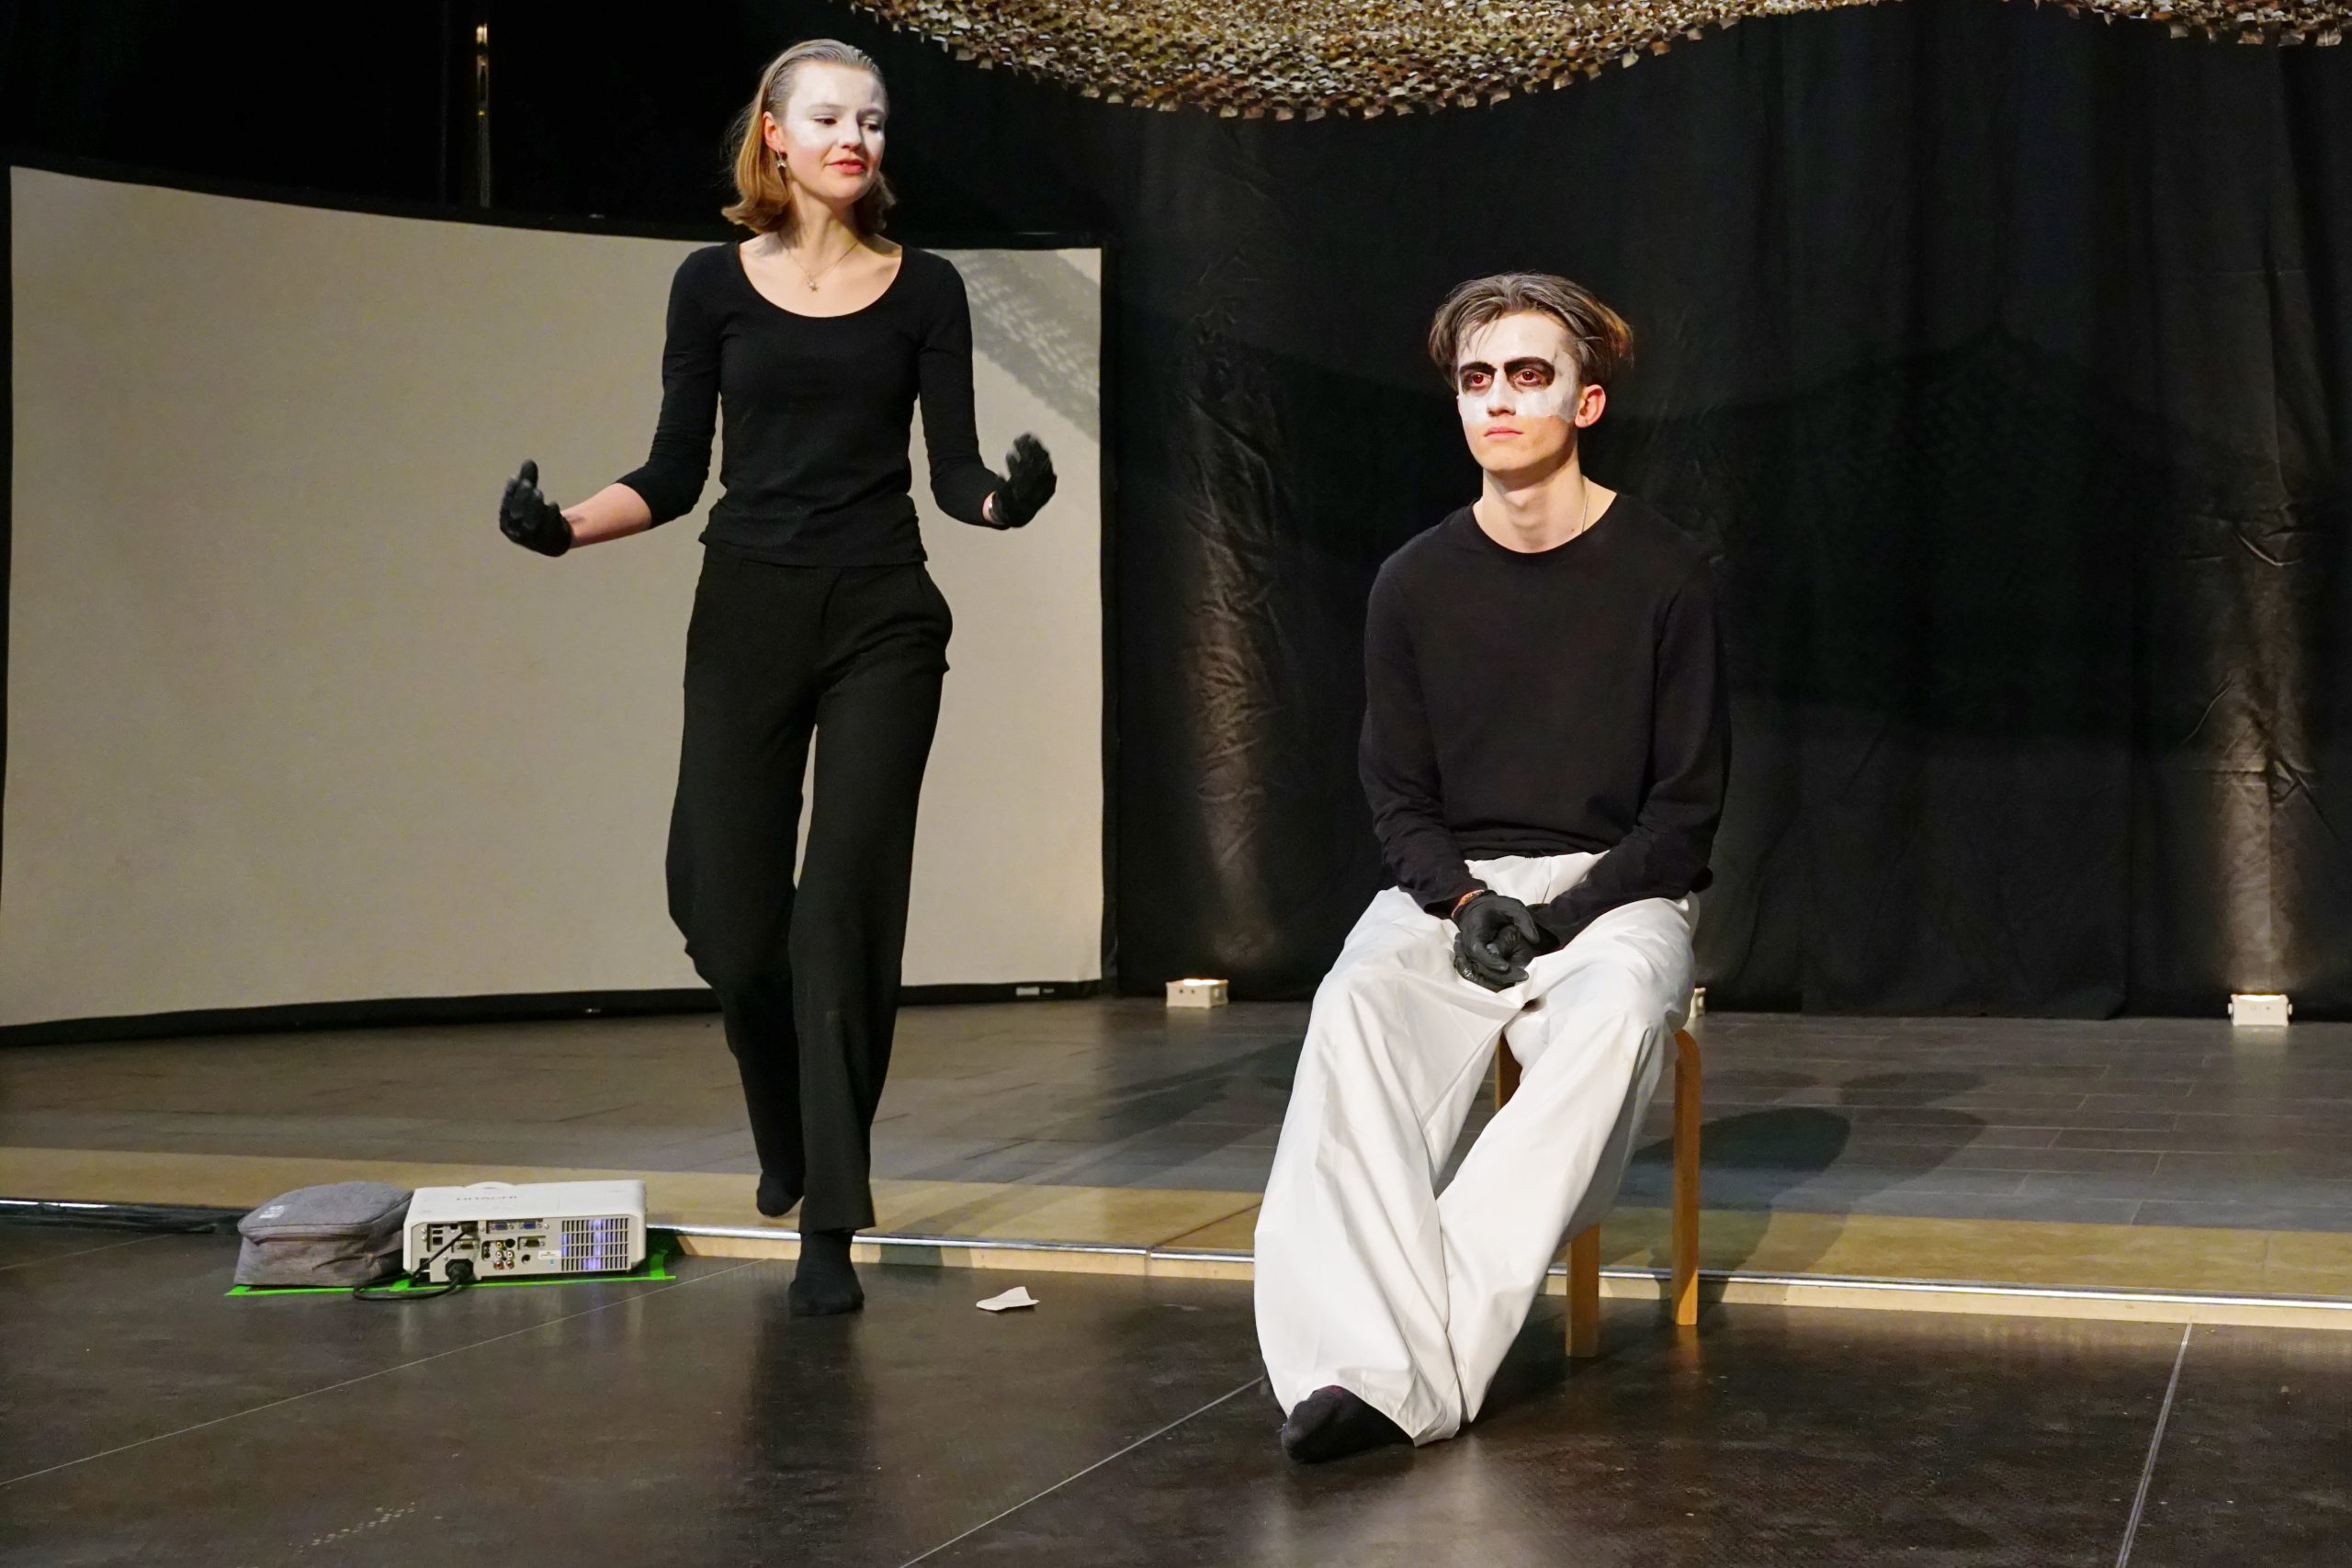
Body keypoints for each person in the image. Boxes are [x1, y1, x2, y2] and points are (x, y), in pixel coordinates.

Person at [494, 39, 1057, 1317]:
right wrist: (562, 527)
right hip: (747, 605)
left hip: (882, 616)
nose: (856, 137)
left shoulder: (926, 288)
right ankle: (783, 1122)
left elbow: (954, 473)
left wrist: (1004, 501)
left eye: (874, 119)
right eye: (830, 118)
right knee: (725, 917)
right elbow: (673, 470)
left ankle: (831, 1227)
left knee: (838, 916)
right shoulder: (710, 285)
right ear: (776, 135)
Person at [1253, 272, 1726, 1461]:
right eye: (1477, 379)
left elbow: (1684, 812)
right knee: (1355, 1009)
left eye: (1527, 375)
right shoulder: (1415, 581)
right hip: (1452, 889)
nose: (1499, 400)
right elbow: (1397, 796)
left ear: (1586, 401)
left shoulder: (1666, 570)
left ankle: (1393, 1366)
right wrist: (1465, 901)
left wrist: (1564, 918)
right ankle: (1356, 1366)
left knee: (1617, 1015)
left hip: (1615, 892)